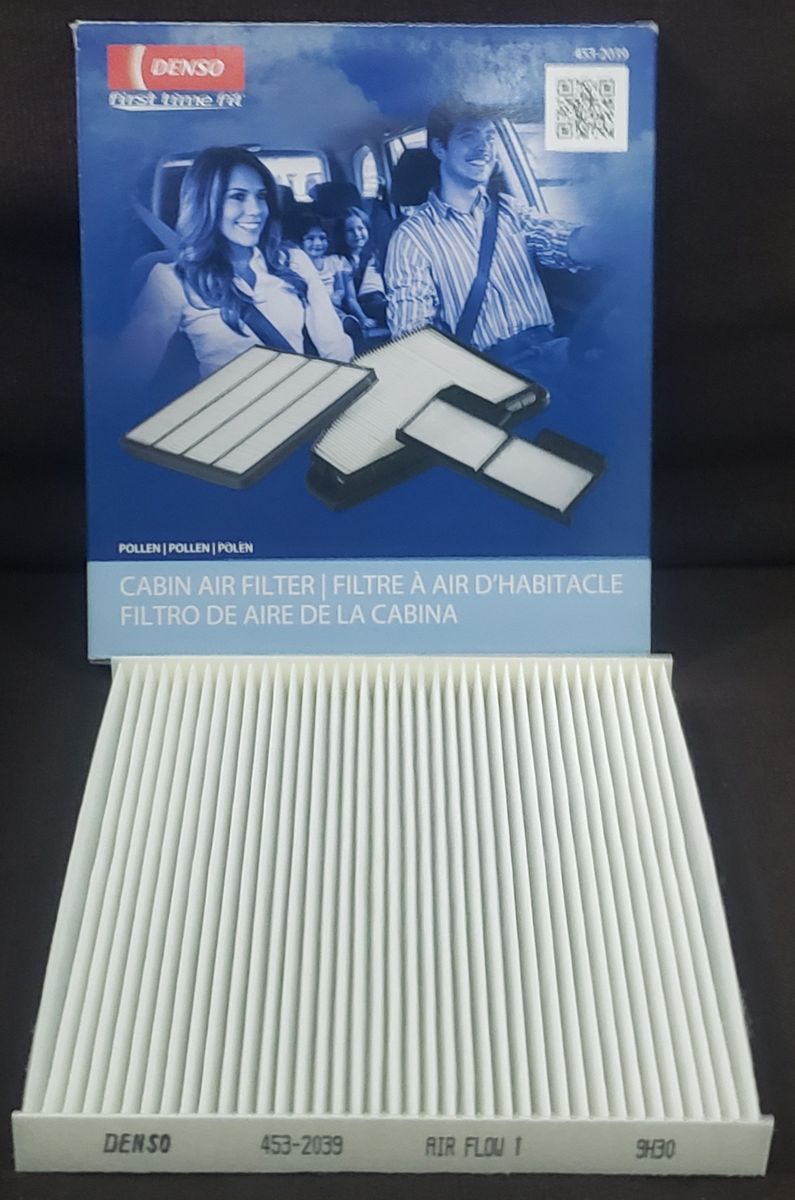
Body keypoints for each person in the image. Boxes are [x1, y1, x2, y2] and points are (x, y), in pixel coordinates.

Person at [384, 103, 591, 375]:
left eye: (490, 137)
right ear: (440, 149)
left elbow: (562, 240)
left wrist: (619, 233)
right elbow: (412, 337)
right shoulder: (411, 238)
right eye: (468, 136)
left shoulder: (511, 209)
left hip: (553, 350)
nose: (484, 148)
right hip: (491, 370)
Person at [121, 146, 353, 381]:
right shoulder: (173, 280)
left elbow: (334, 345)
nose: (256, 210)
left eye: (261, 197)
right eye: (237, 196)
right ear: (205, 203)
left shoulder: (293, 261)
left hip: (298, 395)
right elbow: (128, 374)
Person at [339, 207, 387, 330]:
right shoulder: (344, 261)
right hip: (366, 303)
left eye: (360, 228)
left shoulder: (375, 253)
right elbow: (350, 298)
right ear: (342, 235)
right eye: (350, 230)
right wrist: (363, 318)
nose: (357, 234)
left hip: (383, 299)